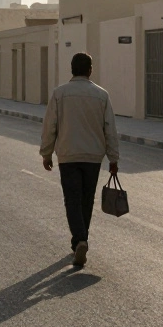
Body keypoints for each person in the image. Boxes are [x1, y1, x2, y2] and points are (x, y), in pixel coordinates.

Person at [40, 52, 119, 267]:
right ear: (90, 69)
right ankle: (82, 238)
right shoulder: (101, 95)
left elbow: (50, 126)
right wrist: (113, 158)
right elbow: (110, 129)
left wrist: (46, 152)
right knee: (86, 198)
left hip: (68, 155)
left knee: (72, 199)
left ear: (72, 69)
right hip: (93, 157)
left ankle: (80, 239)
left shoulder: (59, 94)